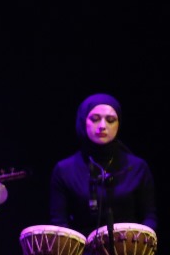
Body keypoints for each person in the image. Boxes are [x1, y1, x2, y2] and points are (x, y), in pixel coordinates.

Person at [49, 93, 157, 237]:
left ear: (119, 124)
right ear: (83, 121)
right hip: (82, 249)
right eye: (95, 119)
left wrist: (139, 240)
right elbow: (59, 223)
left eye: (110, 120)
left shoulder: (137, 167)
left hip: (129, 247)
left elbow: (149, 217)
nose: (102, 126)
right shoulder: (64, 170)